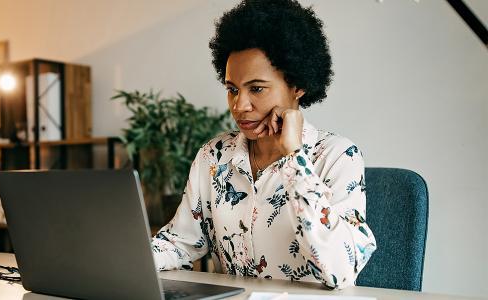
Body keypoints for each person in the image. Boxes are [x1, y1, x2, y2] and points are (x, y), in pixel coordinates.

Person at [151, 0, 376, 289]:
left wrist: (295, 156)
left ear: (297, 86)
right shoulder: (213, 157)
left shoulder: (337, 156)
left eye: (256, 88)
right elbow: (181, 242)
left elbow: (340, 270)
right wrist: (123, 258)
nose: (239, 105)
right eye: (232, 90)